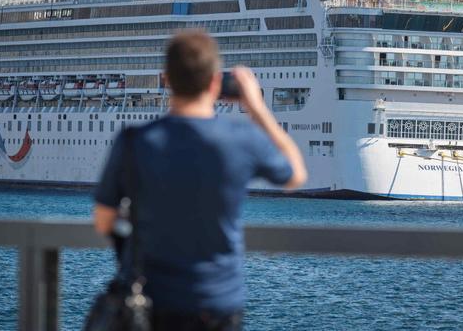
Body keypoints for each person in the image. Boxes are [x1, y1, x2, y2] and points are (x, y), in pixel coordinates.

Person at [93, 30, 307, 330]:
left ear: (166, 79)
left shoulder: (133, 142)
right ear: (215, 82)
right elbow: (295, 174)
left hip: (153, 303)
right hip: (219, 304)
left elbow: (104, 222)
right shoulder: (241, 140)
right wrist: (257, 108)